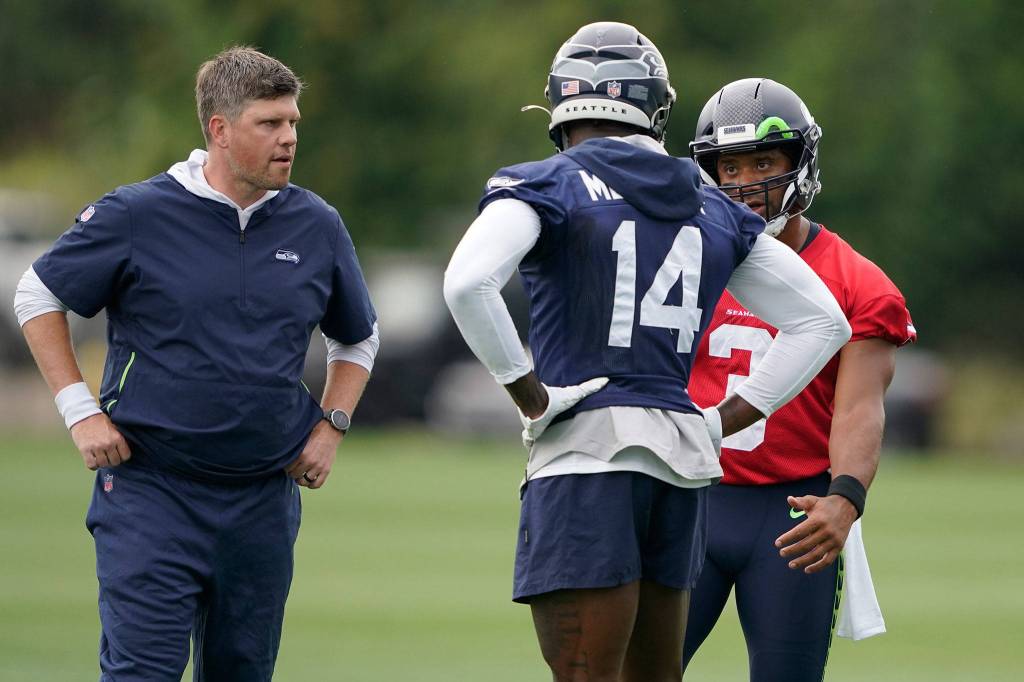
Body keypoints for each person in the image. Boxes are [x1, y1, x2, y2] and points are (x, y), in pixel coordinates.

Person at [443, 23, 851, 682]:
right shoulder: (713, 207)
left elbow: (467, 283)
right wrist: (719, 421)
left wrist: (532, 398)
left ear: (559, 104)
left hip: (586, 458)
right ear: (657, 108)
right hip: (679, 468)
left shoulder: (550, 184)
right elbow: (822, 322)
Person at [13, 46, 378, 680]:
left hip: (263, 501)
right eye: (269, 123)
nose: (289, 138)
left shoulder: (316, 224)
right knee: (141, 673)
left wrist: (332, 425)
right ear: (219, 129)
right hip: (150, 492)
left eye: (293, 122)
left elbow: (358, 339)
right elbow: (36, 295)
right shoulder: (136, 214)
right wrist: (79, 411)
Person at [682, 77, 917, 681]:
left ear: (800, 167)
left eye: (764, 162)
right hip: (687, 495)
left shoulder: (859, 283)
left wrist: (846, 498)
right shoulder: (682, 259)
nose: (744, 183)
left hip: (792, 510)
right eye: (728, 167)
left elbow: (858, 408)